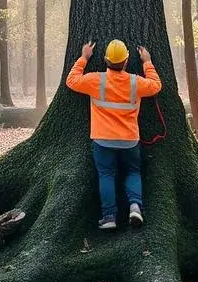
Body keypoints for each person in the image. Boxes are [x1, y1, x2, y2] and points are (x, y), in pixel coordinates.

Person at [66, 39, 162, 230]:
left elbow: (71, 81)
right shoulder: (135, 82)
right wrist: (147, 62)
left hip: (103, 141)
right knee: (133, 172)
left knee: (106, 175)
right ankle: (135, 206)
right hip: (129, 140)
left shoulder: (96, 80)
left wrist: (84, 58)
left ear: (105, 60)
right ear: (126, 61)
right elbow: (156, 85)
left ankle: (109, 216)